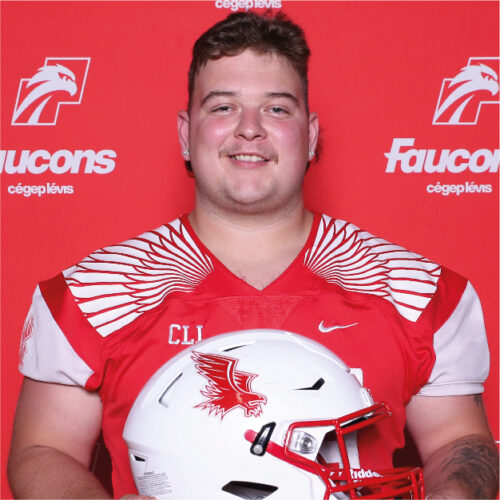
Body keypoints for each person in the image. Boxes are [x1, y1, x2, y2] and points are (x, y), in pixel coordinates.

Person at [7, 10, 498, 500]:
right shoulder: (97, 292)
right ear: (185, 133)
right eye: (223, 107)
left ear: (310, 134)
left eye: (277, 109)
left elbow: (459, 441)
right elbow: (44, 449)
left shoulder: (415, 290)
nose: (249, 129)